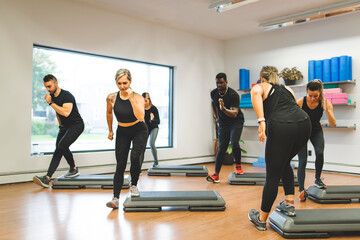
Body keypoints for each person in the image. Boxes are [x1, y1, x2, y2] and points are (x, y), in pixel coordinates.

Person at [248, 66, 311, 231]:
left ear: (262, 78)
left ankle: (261, 219)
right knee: (284, 163)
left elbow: (255, 93)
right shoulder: (288, 89)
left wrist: (261, 121)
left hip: (281, 126)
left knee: (273, 175)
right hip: (305, 124)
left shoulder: (260, 86)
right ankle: (289, 205)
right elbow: (293, 107)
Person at [106, 69, 148, 209]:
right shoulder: (111, 97)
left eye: (125, 83)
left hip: (139, 130)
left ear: (130, 81)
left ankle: (134, 185)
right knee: (120, 163)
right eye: (119, 83)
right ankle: (115, 197)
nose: (122, 86)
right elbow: (109, 113)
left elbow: (141, 117)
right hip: (122, 131)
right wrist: (110, 130)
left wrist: (130, 98)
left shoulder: (137, 97)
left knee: (135, 156)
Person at [33, 74, 84, 188]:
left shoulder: (67, 96)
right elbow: (58, 112)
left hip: (77, 125)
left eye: (50, 86)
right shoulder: (53, 96)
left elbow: (66, 112)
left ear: (56, 83)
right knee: (60, 146)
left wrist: (51, 103)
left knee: (61, 147)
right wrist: (61, 126)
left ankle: (47, 177)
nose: (48, 89)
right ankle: (73, 169)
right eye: (46, 87)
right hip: (65, 126)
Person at [297, 79, 336, 201]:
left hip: (316, 130)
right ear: (306, 92)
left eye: (316, 96)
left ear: (320, 92)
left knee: (319, 152)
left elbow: (333, 124)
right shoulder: (300, 102)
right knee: (303, 160)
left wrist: (328, 110)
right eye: (310, 95)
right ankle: (301, 189)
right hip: (302, 131)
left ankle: (317, 179)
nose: (313, 98)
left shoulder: (325, 103)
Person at [207, 72, 245, 183]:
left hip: (236, 121)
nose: (219, 85)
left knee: (234, 142)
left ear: (226, 82)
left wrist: (223, 109)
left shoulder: (233, 95)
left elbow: (234, 113)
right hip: (223, 123)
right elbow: (213, 104)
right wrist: (217, 116)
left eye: (221, 82)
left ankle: (238, 166)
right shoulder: (214, 93)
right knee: (222, 148)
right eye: (217, 83)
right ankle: (216, 175)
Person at [139, 92, 160, 167]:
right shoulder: (140, 109)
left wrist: (152, 119)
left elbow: (158, 121)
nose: (144, 103)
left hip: (153, 128)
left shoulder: (154, 108)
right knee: (142, 147)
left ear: (149, 100)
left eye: (146, 101)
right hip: (145, 129)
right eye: (143, 101)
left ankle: (156, 162)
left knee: (151, 143)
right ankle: (139, 168)